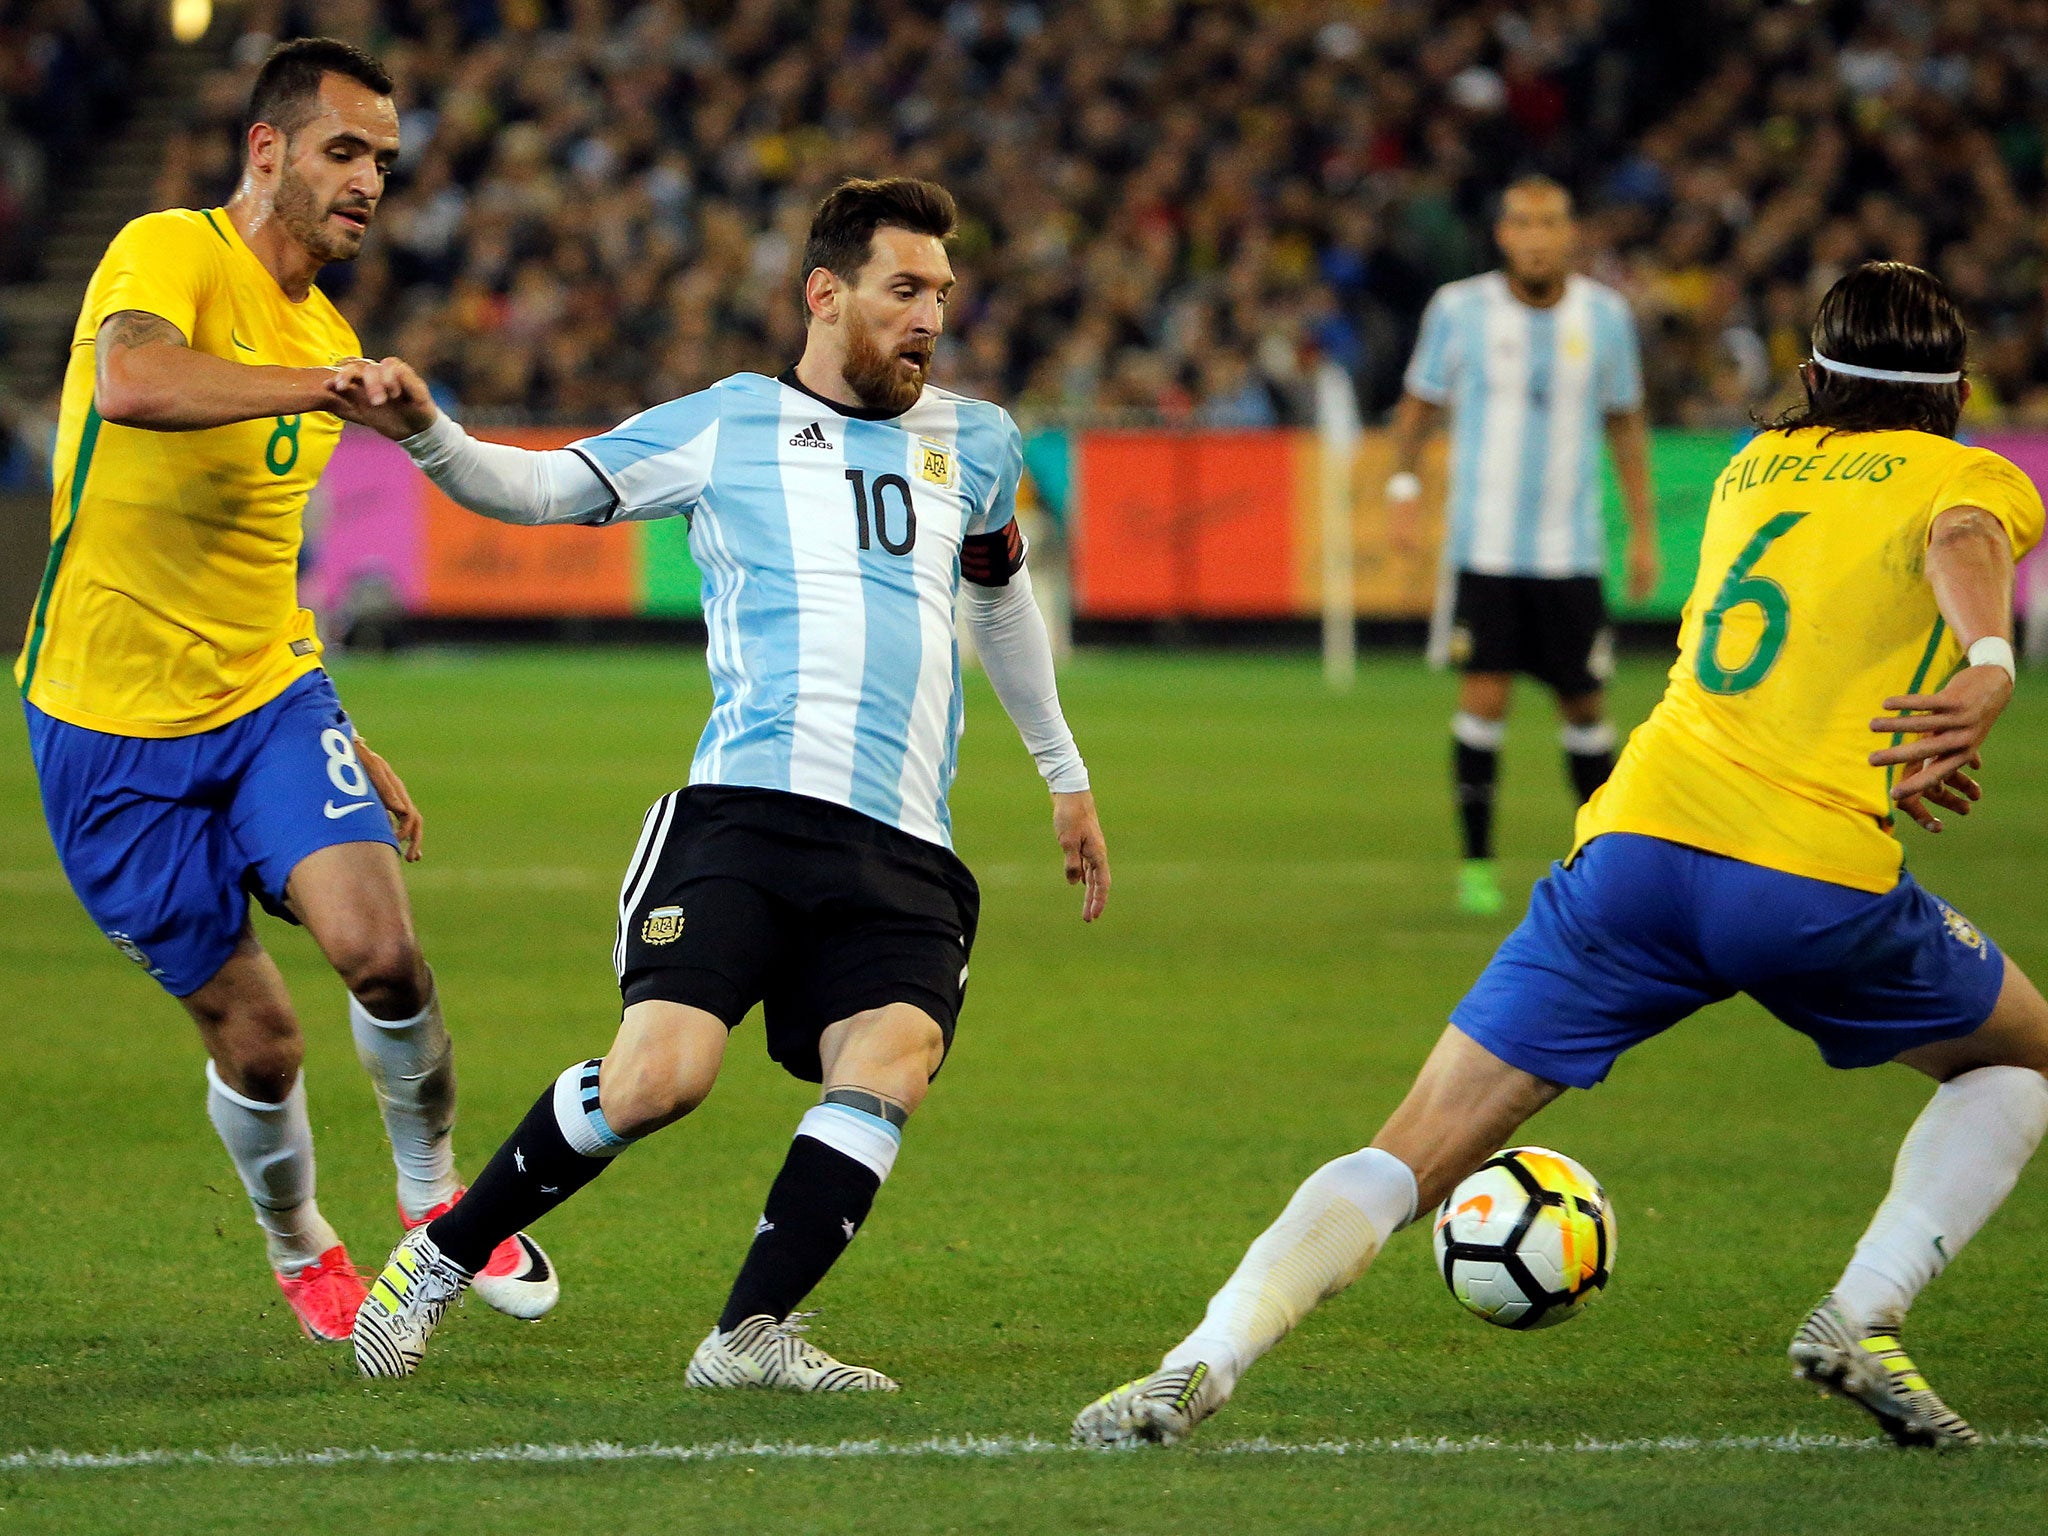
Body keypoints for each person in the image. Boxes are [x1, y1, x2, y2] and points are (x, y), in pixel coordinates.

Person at [1077, 262, 2046, 1451]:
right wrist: (1986, 661)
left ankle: (1197, 1360)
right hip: (1803, 873)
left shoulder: (1754, 465)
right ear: (1959, 391)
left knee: (1408, 1148)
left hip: (1633, 848)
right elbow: (1954, 537)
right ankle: (1863, 1309)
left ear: (1808, 377)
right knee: (2018, 1058)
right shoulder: (1971, 476)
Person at [335, 176, 1112, 1390]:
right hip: (743, 815)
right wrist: (430, 431)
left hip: (902, 838)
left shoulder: (977, 439)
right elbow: (536, 490)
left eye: (943, 297)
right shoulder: (723, 423)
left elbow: (998, 594)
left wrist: (1061, 771)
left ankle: (748, 1336)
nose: (930, 320)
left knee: (890, 1060)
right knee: (660, 1079)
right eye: (904, 291)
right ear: (824, 294)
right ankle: (440, 1257)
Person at [15, 37, 555, 1343]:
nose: (370, 180)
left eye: (386, 161)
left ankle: (438, 1204)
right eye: (344, 151)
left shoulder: (330, 338)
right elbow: (135, 384)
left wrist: (341, 724)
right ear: (267, 151)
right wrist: (327, 386)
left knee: (381, 951)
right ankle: (294, 1230)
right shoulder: (170, 253)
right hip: (107, 730)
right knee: (260, 1043)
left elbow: (266, 560)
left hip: (266, 701)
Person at [1387, 176, 1657, 915]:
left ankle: (1601, 872)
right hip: (1485, 550)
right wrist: (1403, 492)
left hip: (1571, 553)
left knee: (1586, 709)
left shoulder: (1605, 317)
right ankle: (1476, 867)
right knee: (1483, 698)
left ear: (1572, 234)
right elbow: (1418, 407)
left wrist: (1642, 533)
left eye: (1551, 221)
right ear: (1502, 234)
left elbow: (1626, 424)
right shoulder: (1460, 309)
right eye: (1522, 222)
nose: (1537, 235)